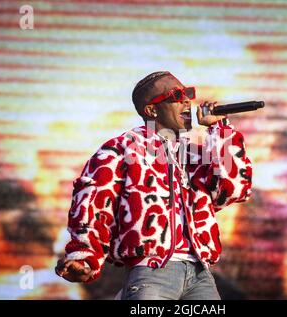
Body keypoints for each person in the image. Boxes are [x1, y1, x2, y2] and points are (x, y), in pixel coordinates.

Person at [55, 71, 253, 300]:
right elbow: (93, 203)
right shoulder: (124, 148)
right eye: (176, 95)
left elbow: (234, 189)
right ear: (151, 110)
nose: (186, 100)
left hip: (201, 274)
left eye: (188, 93)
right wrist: (84, 256)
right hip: (152, 271)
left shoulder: (195, 156)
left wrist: (219, 130)